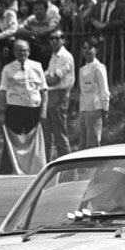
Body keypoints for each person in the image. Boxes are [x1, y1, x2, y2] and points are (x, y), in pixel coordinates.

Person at [0, 39, 48, 175]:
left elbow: (44, 90)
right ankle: (8, 170)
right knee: (12, 140)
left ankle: (35, 170)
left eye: (25, 50)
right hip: (15, 108)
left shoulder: (37, 66)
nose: (22, 53)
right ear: (14, 52)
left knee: (34, 141)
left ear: (29, 52)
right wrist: (2, 113)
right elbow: (2, 91)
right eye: (19, 50)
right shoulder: (8, 69)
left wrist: (43, 111)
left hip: (33, 108)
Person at [44, 29, 75, 160]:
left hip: (59, 95)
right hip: (50, 95)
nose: (54, 41)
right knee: (47, 135)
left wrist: (43, 79)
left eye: (58, 38)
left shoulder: (65, 56)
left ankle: (68, 167)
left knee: (60, 134)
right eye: (52, 38)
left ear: (64, 40)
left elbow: (54, 80)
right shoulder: (53, 56)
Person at [77, 36, 110, 150]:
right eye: (84, 48)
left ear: (96, 50)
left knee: (93, 144)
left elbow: (104, 90)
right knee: (83, 144)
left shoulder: (99, 68)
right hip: (84, 109)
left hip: (95, 109)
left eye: (89, 48)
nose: (86, 51)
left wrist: (105, 110)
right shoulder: (82, 70)